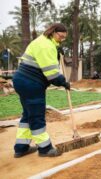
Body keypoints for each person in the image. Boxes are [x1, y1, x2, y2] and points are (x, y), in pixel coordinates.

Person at [13, 23, 70, 158]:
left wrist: (57, 50)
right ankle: (45, 149)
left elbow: (43, 61)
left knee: (28, 115)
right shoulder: (46, 46)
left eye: (64, 38)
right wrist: (63, 82)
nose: (61, 39)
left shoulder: (43, 41)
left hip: (23, 81)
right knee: (37, 116)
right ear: (53, 32)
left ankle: (21, 148)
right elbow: (51, 74)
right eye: (60, 36)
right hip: (31, 83)